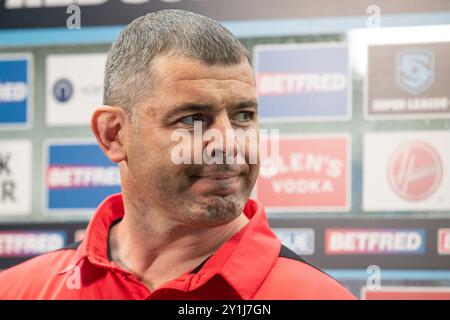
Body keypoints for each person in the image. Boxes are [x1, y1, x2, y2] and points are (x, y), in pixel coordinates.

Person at [0, 9, 355, 300]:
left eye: (243, 116)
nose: (228, 144)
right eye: (192, 119)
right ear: (114, 135)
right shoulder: (19, 291)